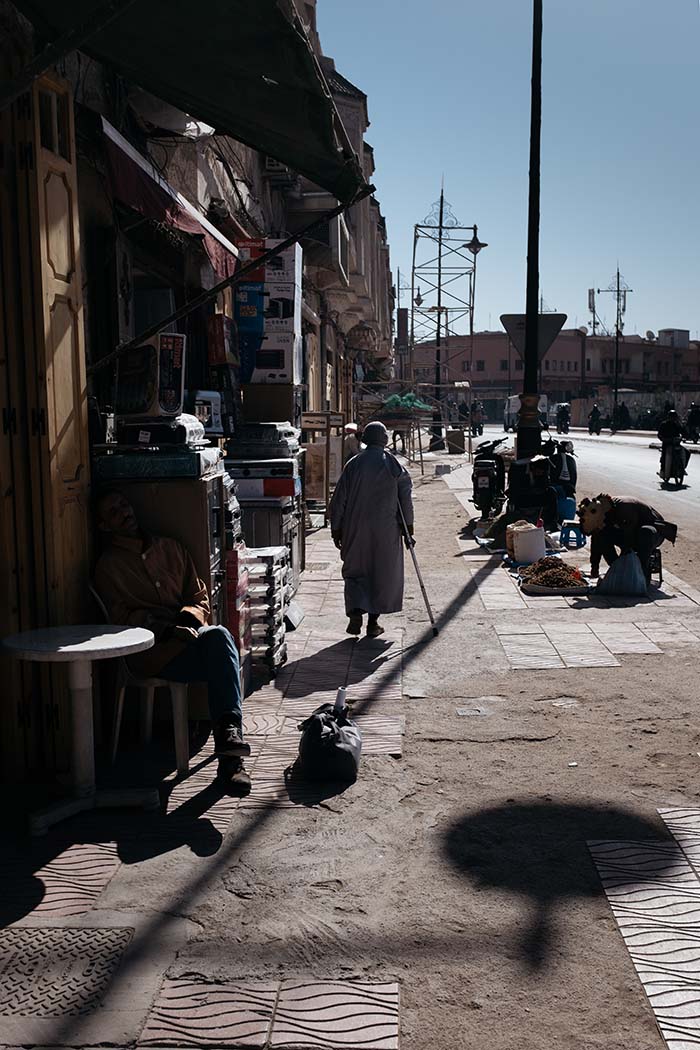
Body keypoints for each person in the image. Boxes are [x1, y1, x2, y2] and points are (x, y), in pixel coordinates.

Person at [94, 489, 251, 792]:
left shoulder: (170, 548)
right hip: (153, 655)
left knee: (219, 638)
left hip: (189, 640)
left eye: (124, 503)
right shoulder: (109, 567)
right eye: (114, 512)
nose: (124, 512)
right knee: (220, 650)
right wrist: (166, 630)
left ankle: (230, 748)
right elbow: (120, 617)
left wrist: (187, 620)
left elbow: (199, 595)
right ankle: (230, 751)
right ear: (104, 525)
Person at [330, 420, 414, 638]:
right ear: (385, 439)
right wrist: (409, 528)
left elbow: (339, 500)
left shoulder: (354, 464)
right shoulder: (394, 465)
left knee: (356, 571)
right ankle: (373, 623)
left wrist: (336, 528)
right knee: (380, 573)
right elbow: (405, 499)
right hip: (385, 531)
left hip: (354, 528)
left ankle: (355, 614)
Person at [578, 493, 677, 583]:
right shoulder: (602, 516)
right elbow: (596, 541)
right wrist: (594, 567)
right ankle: (616, 568)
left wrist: (625, 562)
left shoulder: (625, 508)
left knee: (645, 533)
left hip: (654, 532)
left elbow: (628, 539)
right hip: (628, 532)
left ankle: (642, 574)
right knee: (601, 536)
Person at [657, 408, 687, 478]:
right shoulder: (664, 424)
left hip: (676, 444)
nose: (673, 419)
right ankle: (663, 470)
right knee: (664, 456)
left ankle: (682, 468)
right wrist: (664, 439)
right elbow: (659, 435)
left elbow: (683, 432)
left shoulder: (677, 425)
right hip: (667, 445)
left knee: (686, 452)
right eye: (672, 417)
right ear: (669, 417)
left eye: (674, 417)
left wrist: (685, 434)